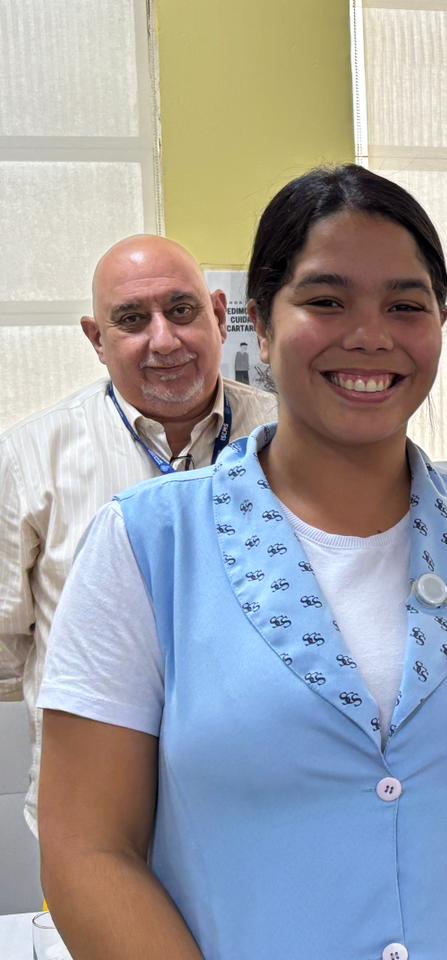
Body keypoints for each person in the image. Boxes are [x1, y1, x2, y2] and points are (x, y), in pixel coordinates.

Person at [36, 165, 447, 959]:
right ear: (260, 324)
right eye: (327, 301)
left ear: (441, 324)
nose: (370, 335)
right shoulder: (146, 544)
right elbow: (89, 848)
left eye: (405, 305)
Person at [0, 235, 277, 834]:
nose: (164, 340)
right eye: (131, 320)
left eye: (182, 310)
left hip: (259, 806)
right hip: (92, 810)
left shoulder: (291, 439)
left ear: (218, 315)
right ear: (96, 339)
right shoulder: (28, 459)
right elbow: (7, 646)